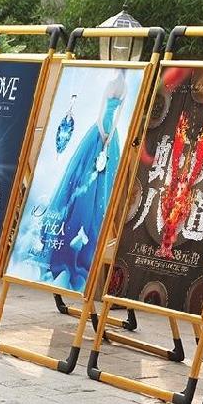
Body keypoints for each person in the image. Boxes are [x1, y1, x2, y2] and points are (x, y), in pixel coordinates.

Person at [41, 70, 127, 291]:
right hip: (102, 131)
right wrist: (105, 135)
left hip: (107, 133)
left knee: (100, 182)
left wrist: (107, 138)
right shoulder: (117, 85)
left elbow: (111, 116)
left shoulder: (119, 85)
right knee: (84, 177)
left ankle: (89, 234)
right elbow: (104, 115)